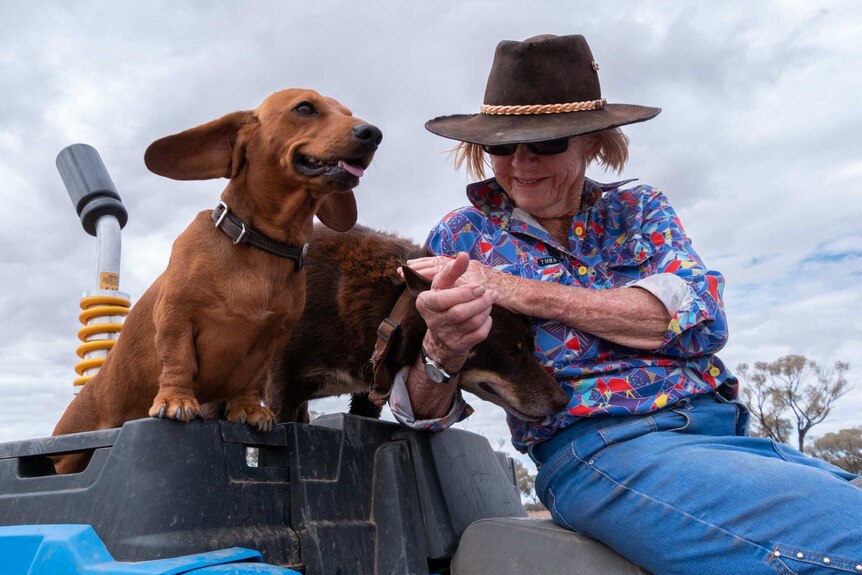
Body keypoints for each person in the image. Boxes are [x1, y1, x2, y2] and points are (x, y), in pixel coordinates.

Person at [388, 34, 862, 574]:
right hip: (601, 450)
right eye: (500, 145)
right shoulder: (458, 236)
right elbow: (419, 412)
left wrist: (517, 289)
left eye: (544, 143)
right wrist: (441, 348)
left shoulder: (640, 210)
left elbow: (698, 319)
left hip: (724, 435)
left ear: (593, 140)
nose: (519, 163)